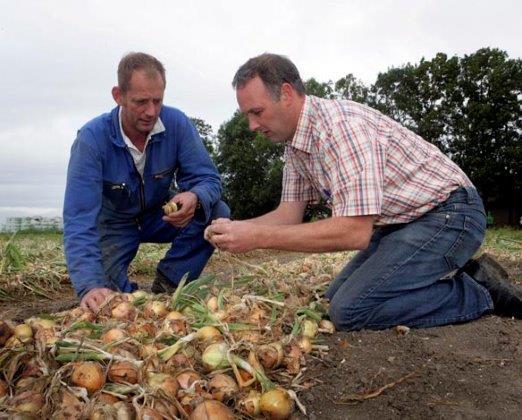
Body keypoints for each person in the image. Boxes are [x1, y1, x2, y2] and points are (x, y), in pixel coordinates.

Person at [205, 53, 522, 330]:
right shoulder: (294, 147)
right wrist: (240, 228)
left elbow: (353, 233)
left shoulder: (341, 129)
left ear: (286, 93)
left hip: (451, 213)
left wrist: (257, 238)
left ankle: (481, 291)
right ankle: (441, 270)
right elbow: (288, 214)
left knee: (350, 311)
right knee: (333, 302)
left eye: (256, 112)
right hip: (404, 224)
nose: (251, 126)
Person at [64, 52, 229, 312]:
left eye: (157, 100)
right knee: (110, 303)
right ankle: (112, 286)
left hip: (158, 216)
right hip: (114, 225)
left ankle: (170, 283)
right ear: (118, 95)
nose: (151, 112)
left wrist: (195, 196)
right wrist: (90, 285)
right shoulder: (92, 140)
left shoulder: (177, 124)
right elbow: (79, 217)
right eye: (141, 102)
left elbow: (208, 178)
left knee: (215, 211)